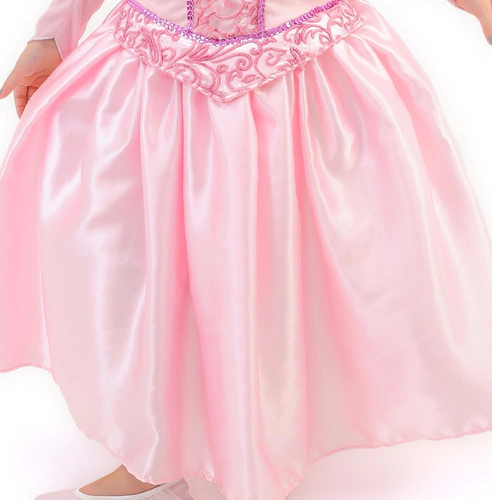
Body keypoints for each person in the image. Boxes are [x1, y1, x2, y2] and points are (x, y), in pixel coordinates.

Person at [1, 0, 492, 499]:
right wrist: (55, 31)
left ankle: (264, 449)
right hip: (155, 62)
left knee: (278, 263)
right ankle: (155, 449)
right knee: (140, 259)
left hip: (300, 61)